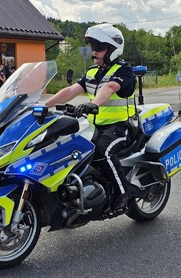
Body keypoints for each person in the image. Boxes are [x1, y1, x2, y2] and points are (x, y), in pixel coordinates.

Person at [45, 23, 136, 211]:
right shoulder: (92, 72)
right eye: (93, 48)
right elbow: (71, 90)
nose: (94, 52)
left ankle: (122, 193)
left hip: (120, 127)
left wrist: (93, 104)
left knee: (103, 151)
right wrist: (44, 106)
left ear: (112, 50)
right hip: (94, 126)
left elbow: (109, 88)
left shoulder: (123, 70)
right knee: (67, 147)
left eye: (99, 48)